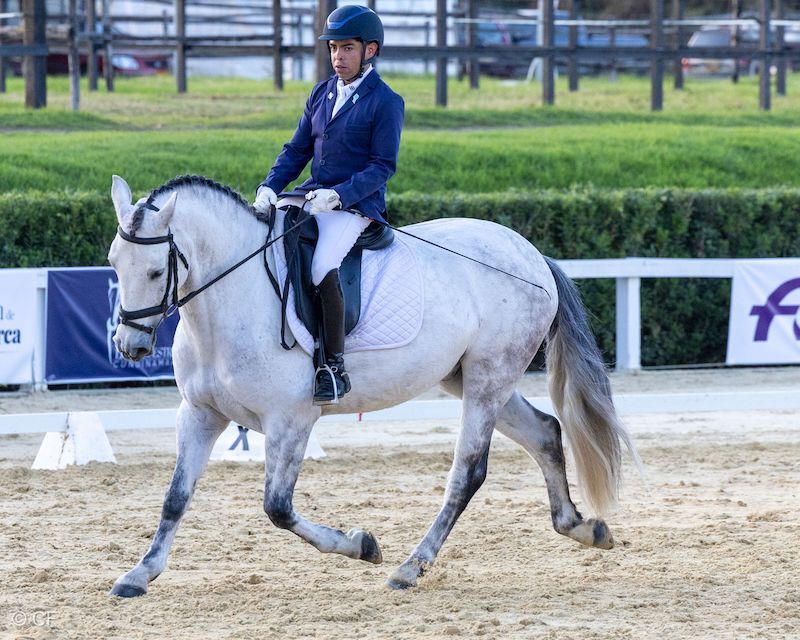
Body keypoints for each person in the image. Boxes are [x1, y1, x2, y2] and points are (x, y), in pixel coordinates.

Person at [253, 5, 405, 406]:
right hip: (312, 194)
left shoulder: (386, 101)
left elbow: (382, 166)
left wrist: (340, 196)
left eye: (348, 48)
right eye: (334, 48)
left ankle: (333, 368)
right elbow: (297, 149)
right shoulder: (321, 93)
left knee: (322, 266)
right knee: (267, 238)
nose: (338, 56)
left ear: (370, 50)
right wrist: (270, 186)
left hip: (356, 206)